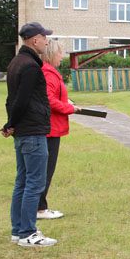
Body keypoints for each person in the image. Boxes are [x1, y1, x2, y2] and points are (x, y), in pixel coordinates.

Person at [2, 22, 57, 247]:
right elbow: (22, 100)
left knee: (22, 182)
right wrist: (11, 123)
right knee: (35, 183)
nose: (47, 41)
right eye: (45, 37)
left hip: (22, 131)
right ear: (35, 40)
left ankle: (18, 230)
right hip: (32, 131)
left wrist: (11, 124)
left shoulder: (16, 63)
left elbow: (10, 100)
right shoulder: (31, 66)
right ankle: (27, 232)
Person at [38, 38, 77, 220]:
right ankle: (40, 208)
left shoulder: (51, 72)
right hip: (50, 128)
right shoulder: (48, 73)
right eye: (60, 52)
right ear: (52, 53)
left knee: (46, 169)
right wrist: (69, 108)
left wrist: (66, 101)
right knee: (45, 169)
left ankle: (40, 206)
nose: (62, 56)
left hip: (53, 127)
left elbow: (54, 96)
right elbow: (49, 100)